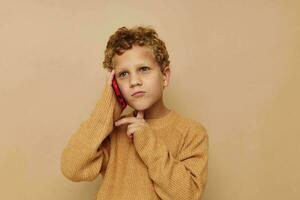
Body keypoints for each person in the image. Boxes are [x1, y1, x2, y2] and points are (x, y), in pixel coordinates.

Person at [60, 25, 209, 200]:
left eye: (144, 69)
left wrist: (147, 142)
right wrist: (106, 108)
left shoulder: (191, 132)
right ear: (114, 84)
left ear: (165, 76)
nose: (134, 81)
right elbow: (72, 168)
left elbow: (187, 195)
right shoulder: (115, 130)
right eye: (123, 74)